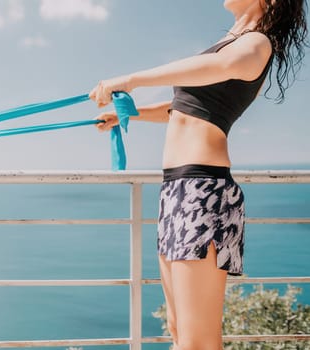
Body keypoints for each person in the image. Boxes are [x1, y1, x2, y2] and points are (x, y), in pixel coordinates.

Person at [89, 1, 308, 350]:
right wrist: (129, 114)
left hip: (204, 189)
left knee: (198, 341)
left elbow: (219, 66)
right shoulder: (229, 44)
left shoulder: (257, 43)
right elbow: (184, 107)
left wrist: (133, 79)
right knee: (178, 330)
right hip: (177, 188)